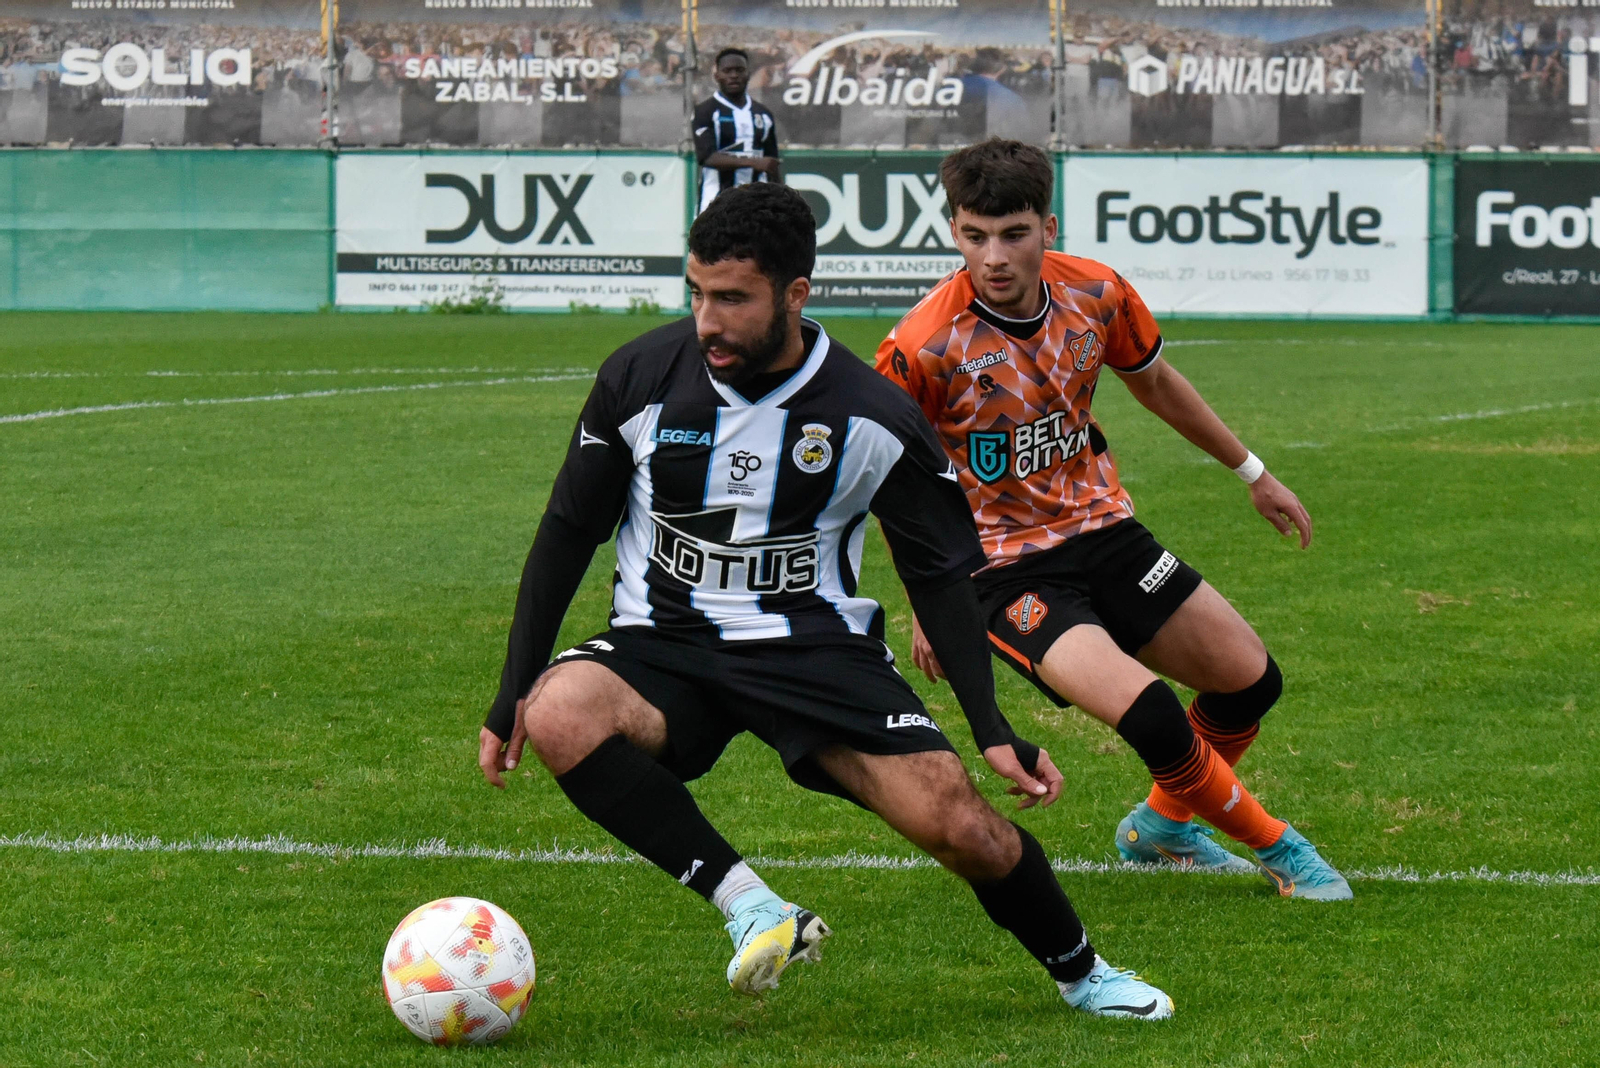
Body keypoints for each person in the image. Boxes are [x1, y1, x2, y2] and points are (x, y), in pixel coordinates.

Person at [477, 182, 1174, 1019]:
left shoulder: (872, 414)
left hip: (814, 652)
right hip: (662, 644)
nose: (708, 319)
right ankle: (756, 910)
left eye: (733, 298)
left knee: (961, 826)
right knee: (560, 711)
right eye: (697, 293)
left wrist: (991, 729)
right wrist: (513, 683)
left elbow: (942, 578)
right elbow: (565, 531)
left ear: (795, 294)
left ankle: (1083, 972)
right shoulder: (640, 378)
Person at [874, 139, 1352, 902]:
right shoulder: (921, 346)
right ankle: (1283, 851)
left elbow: (1155, 382)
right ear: (955, 230)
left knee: (1248, 682)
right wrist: (928, 601)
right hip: (1002, 569)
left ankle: (1160, 830)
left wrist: (1253, 474)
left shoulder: (1097, 294)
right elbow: (898, 482)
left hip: (1107, 532)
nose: (993, 256)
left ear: (1048, 226)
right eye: (973, 235)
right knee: (1154, 715)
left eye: (1013, 234)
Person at [692, 47, 780, 213]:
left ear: (748, 74)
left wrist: (780, 203)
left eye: (739, 70)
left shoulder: (763, 114)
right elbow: (707, 157)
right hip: (715, 206)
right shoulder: (705, 111)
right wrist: (753, 162)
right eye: (727, 71)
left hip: (756, 206)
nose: (733, 75)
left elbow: (771, 163)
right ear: (717, 75)